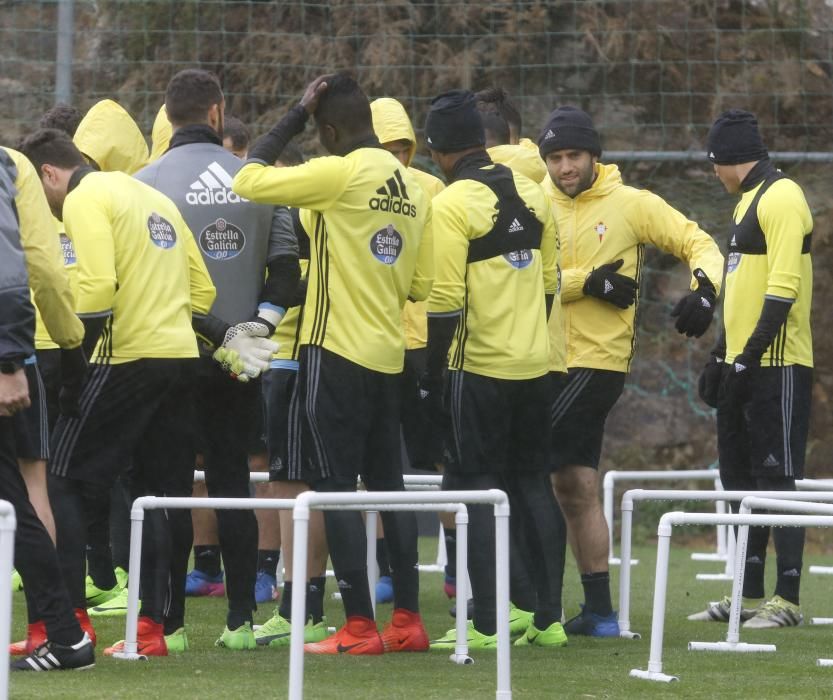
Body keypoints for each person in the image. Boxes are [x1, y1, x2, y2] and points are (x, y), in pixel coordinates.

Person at [19, 128, 271, 658]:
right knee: (161, 493)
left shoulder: (87, 198)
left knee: (61, 480)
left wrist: (72, 367)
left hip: (125, 356)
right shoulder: (150, 195)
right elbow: (200, 289)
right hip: (179, 359)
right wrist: (218, 331)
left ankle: (66, 626)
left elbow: (96, 289)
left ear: (48, 174)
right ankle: (157, 628)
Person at [233, 72, 433, 655]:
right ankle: (409, 622)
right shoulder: (412, 186)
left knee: (334, 485)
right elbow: (418, 283)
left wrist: (292, 113)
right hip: (387, 355)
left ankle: (360, 626)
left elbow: (248, 177)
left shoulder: (341, 171)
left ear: (327, 130)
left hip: (334, 352)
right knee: (388, 486)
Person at [538, 106, 724, 636]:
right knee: (573, 482)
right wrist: (586, 282)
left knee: (530, 460)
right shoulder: (533, 201)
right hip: (541, 359)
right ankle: (598, 612)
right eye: (555, 157)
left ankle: (537, 607)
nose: (565, 166)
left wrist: (706, 291)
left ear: (594, 155)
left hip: (598, 363)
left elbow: (698, 241)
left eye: (574, 155)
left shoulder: (631, 204)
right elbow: (520, 276)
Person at [135, 68, 300, 648]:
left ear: (166, 114)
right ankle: (240, 621)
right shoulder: (259, 181)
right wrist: (253, 331)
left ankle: (169, 625)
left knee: (172, 486)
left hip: (170, 354)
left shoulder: (144, 182)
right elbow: (286, 273)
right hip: (241, 360)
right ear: (217, 113)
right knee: (233, 482)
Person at [421, 90, 567, 650]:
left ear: (437, 151)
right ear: (482, 140)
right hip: (533, 366)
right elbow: (551, 283)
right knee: (532, 482)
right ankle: (548, 619)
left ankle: (488, 620)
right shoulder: (535, 193)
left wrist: (431, 377)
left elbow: (444, 304)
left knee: (472, 487)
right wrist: (527, 334)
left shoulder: (452, 204)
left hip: (475, 367)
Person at [689, 110, 813, 628]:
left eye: (713, 164)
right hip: (744, 362)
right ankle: (745, 591)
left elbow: (782, 288)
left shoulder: (783, 196)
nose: (714, 175)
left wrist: (750, 356)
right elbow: (741, 290)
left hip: (778, 364)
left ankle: (786, 599)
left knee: (776, 479)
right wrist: (722, 355)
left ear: (724, 160)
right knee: (739, 477)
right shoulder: (747, 201)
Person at [0, 147, 95, 671]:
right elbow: (41, 266)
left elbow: (27, 264)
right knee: (26, 493)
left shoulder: (7, 163)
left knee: (23, 497)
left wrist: (11, 358)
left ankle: (61, 631)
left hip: (12, 353)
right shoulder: (15, 163)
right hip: (23, 350)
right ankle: (57, 629)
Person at [369, 96, 451, 602]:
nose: (395, 158)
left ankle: (455, 567)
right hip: (377, 341)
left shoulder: (433, 190)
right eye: (385, 148)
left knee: (442, 459)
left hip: (423, 343)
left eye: (403, 148)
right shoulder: (352, 190)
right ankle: (387, 572)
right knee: (379, 462)